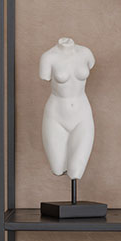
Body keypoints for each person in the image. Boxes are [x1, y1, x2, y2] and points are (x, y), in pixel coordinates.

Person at [39, 38, 96, 182]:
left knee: (76, 170)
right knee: (57, 167)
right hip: (56, 115)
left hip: (82, 114)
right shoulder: (48, 57)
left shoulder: (86, 53)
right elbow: (44, 76)